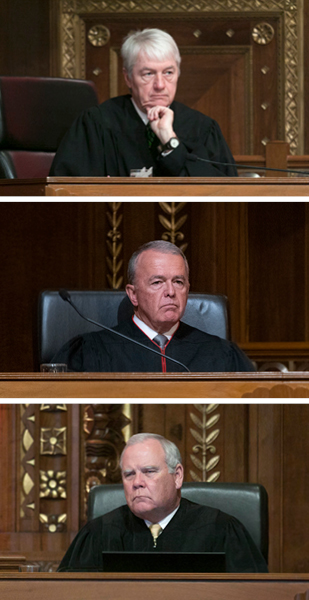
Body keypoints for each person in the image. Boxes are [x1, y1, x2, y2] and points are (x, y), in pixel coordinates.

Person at [58, 433, 268, 572]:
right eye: (129, 474)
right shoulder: (98, 533)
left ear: (177, 476)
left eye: (149, 472)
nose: (137, 483)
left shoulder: (221, 530)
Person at [49, 28, 237, 177]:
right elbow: (66, 190)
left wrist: (169, 140)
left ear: (178, 74)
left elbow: (223, 193)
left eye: (168, 72)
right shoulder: (97, 124)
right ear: (128, 78)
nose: (160, 85)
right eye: (148, 74)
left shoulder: (202, 128)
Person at [52, 240, 253, 372]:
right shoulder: (91, 352)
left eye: (178, 282)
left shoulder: (221, 355)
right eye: (157, 282)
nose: (171, 292)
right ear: (133, 295)